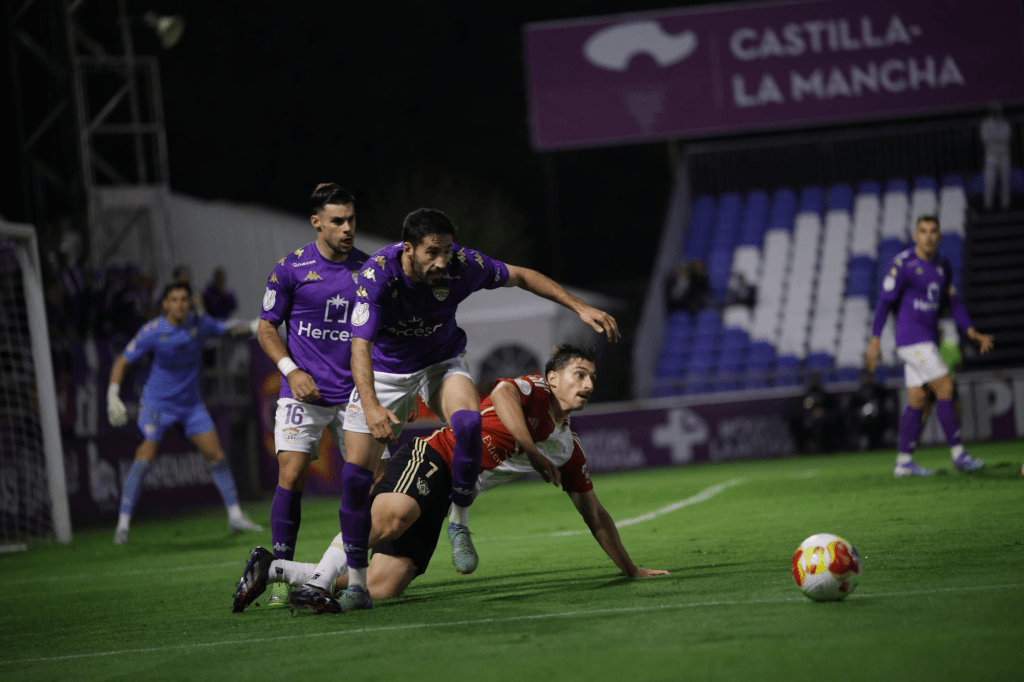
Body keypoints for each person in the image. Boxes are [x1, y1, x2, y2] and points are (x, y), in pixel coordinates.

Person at [291, 207, 620, 613]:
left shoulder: (464, 265)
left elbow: (522, 276)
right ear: (408, 249)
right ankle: (343, 582)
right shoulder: (376, 277)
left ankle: (458, 523)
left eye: (447, 251)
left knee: (466, 423)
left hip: (441, 363)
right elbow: (359, 346)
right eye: (433, 252)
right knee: (357, 479)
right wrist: (373, 404)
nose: (442, 262)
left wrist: (579, 307)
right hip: (387, 374)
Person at [232, 344, 667, 614]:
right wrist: (531, 451)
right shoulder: (533, 390)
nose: (588, 383)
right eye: (579, 375)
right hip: (432, 456)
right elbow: (499, 394)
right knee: (391, 517)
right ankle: (318, 585)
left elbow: (596, 515)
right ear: (553, 378)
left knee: (385, 586)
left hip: (445, 500)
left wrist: (631, 569)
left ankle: (276, 569)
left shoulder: (568, 449)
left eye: (592, 377)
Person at [254, 183, 370, 608]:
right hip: (303, 392)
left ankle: (349, 577)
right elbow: (267, 327)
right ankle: (282, 576)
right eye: (337, 221)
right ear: (316, 222)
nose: (347, 228)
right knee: (292, 474)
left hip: (356, 394)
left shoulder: (369, 270)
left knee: (368, 483)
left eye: (351, 220)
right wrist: (291, 370)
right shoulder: (290, 269)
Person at [106, 281, 262, 544]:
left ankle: (235, 516)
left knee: (216, 455)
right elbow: (122, 361)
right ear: (165, 304)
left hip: (191, 405)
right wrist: (112, 393)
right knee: (143, 461)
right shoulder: (153, 331)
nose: (179, 304)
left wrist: (255, 326)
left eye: (183, 299)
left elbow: (228, 329)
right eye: (173, 299)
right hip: (157, 404)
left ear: (190, 302)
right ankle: (122, 525)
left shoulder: (200, 325)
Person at [865, 215, 994, 477]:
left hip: (926, 339)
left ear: (939, 236)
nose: (928, 236)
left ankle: (904, 462)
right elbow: (884, 303)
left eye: (933, 231)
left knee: (918, 398)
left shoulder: (942, 265)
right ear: (915, 235)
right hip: (911, 340)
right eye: (923, 231)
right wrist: (875, 340)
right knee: (945, 385)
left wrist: (972, 332)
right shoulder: (903, 264)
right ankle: (959, 454)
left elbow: (954, 303)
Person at [980, 102, 1012, 211]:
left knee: (1005, 181)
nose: (996, 113)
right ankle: (988, 206)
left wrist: (995, 139)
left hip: (1004, 156)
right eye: (994, 111)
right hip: (991, 156)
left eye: (998, 111)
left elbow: (1006, 137)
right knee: (989, 181)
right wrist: (997, 139)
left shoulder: (1005, 123)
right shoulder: (986, 124)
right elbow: (985, 139)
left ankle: (1005, 205)